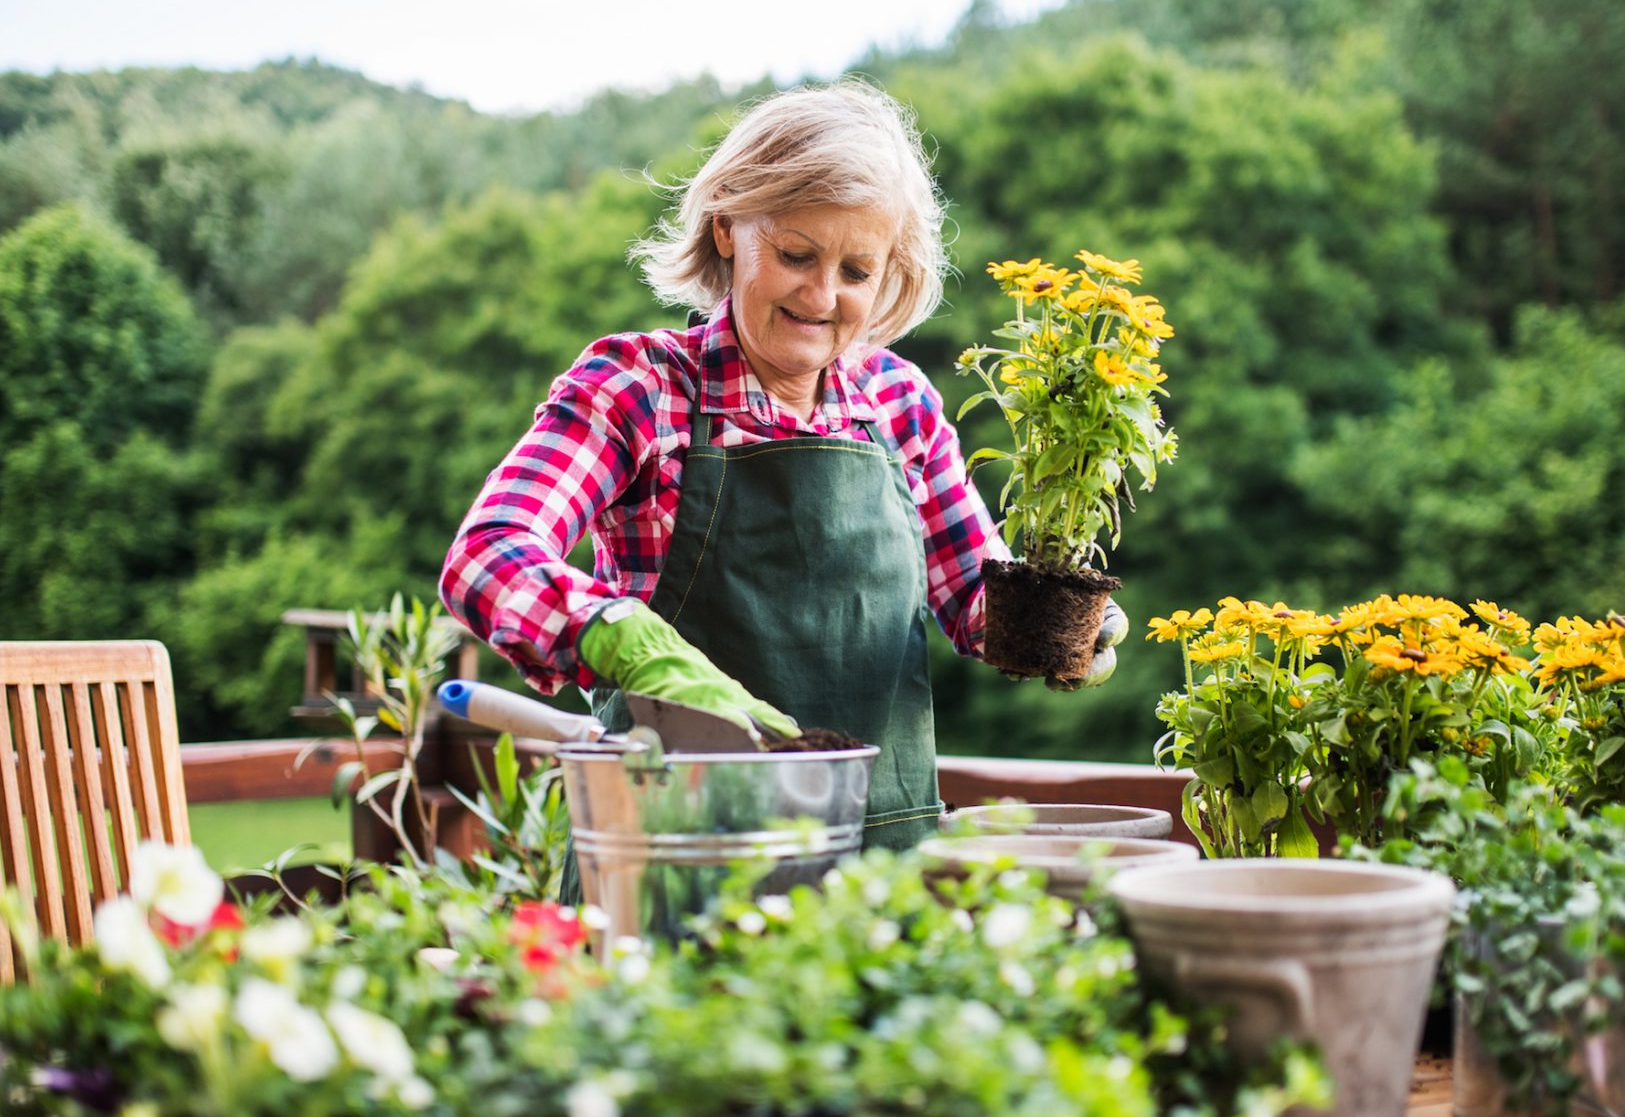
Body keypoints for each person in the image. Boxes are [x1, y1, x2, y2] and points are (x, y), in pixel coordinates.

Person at [439, 79, 1125, 853]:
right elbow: (486, 558)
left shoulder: (899, 404)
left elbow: (971, 597)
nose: (823, 295)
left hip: (878, 866)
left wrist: (1063, 625)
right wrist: (617, 635)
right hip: (678, 854)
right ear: (729, 224)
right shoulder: (640, 391)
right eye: (797, 254)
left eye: (857, 272)